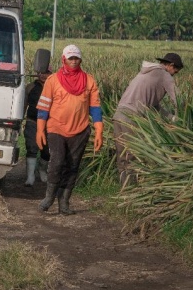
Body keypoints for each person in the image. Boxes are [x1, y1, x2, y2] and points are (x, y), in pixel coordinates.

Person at [36, 45, 103, 215]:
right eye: (70, 58)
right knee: (57, 162)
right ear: (63, 59)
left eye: (76, 58)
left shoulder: (89, 80)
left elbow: (95, 108)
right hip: (56, 128)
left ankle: (64, 202)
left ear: (80, 60)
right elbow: (43, 108)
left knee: (73, 166)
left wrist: (99, 132)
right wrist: (40, 131)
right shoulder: (53, 80)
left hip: (80, 131)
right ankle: (49, 198)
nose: (73, 62)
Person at [112, 52, 183, 185]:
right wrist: (184, 117)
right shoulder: (164, 74)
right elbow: (179, 99)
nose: (174, 75)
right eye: (175, 71)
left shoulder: (146, 73)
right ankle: (132, 191)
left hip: (118, 115)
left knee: (122, 155)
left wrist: (172, 118)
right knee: (134, 153)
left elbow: (154, 106)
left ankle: (123, 189)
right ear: (171, 65)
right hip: (132, 117)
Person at [23, 67, 52, 186]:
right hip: (32, 121)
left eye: (46, 73)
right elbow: (24, 104)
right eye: (40, 73)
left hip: (50, 124)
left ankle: (42, 170)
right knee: (31, 146)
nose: (43, 75)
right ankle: (30, 177)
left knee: (47, 150)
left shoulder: (55, 86)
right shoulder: (30, 87)